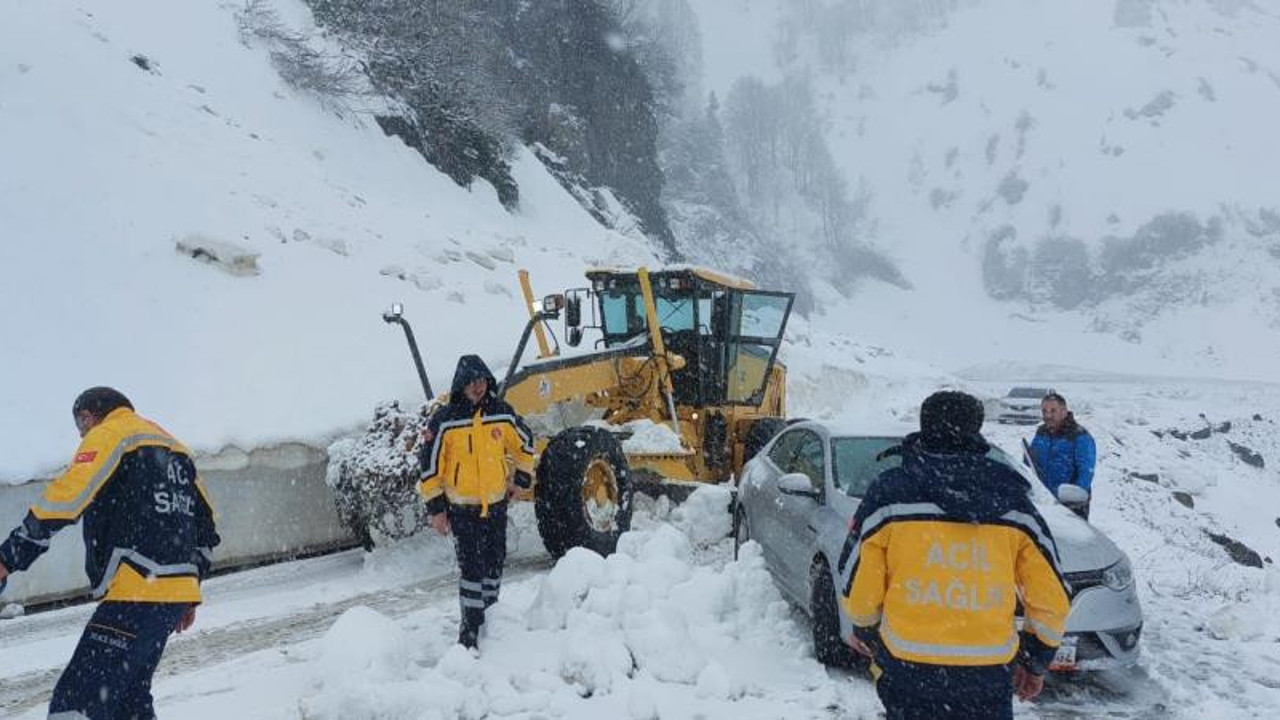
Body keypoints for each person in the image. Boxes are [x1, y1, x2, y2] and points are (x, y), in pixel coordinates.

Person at [841, 391, 1070, 720]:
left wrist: (865, 630)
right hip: (987, 674)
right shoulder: (1012, 500)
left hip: (909, 669)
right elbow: (1051, 597)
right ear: (976, 429)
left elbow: (860, 580)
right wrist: (1035, 662)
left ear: (924, 426)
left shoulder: (890, 494)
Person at [0, 387, 220, 720]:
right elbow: (207, 528)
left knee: (76, 704)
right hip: (170, 598)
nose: (81, 435)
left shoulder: (111, 434)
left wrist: (8, 557)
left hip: (137, 590)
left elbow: (65, 499)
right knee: (128, 702)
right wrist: (188, 590)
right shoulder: (176, 448)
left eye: (81, 425)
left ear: (89, 416)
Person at [418, 355, 535, 650]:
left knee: (494, 565)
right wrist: (436, 509)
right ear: (461, 385)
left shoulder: (501, 413)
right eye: (471, 382)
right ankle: (470, 630)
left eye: (481, 381)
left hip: (496, 506)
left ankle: (491, 622)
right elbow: (430, 466)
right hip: (462, 510)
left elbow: (525, 445)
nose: (478, 387)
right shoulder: (445, 420)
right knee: (471, 570)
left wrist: (521, 479)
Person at [1027, 391, 1096, 519]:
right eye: (1044, 411)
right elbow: (1030, 462)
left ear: (1064, 411)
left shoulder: (1080, 436)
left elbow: (1085, 473)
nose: (1048, 415)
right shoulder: (1041, 433)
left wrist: (1073, 497)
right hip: (1043, 502)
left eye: (1053, 411)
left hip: (1071, 506)